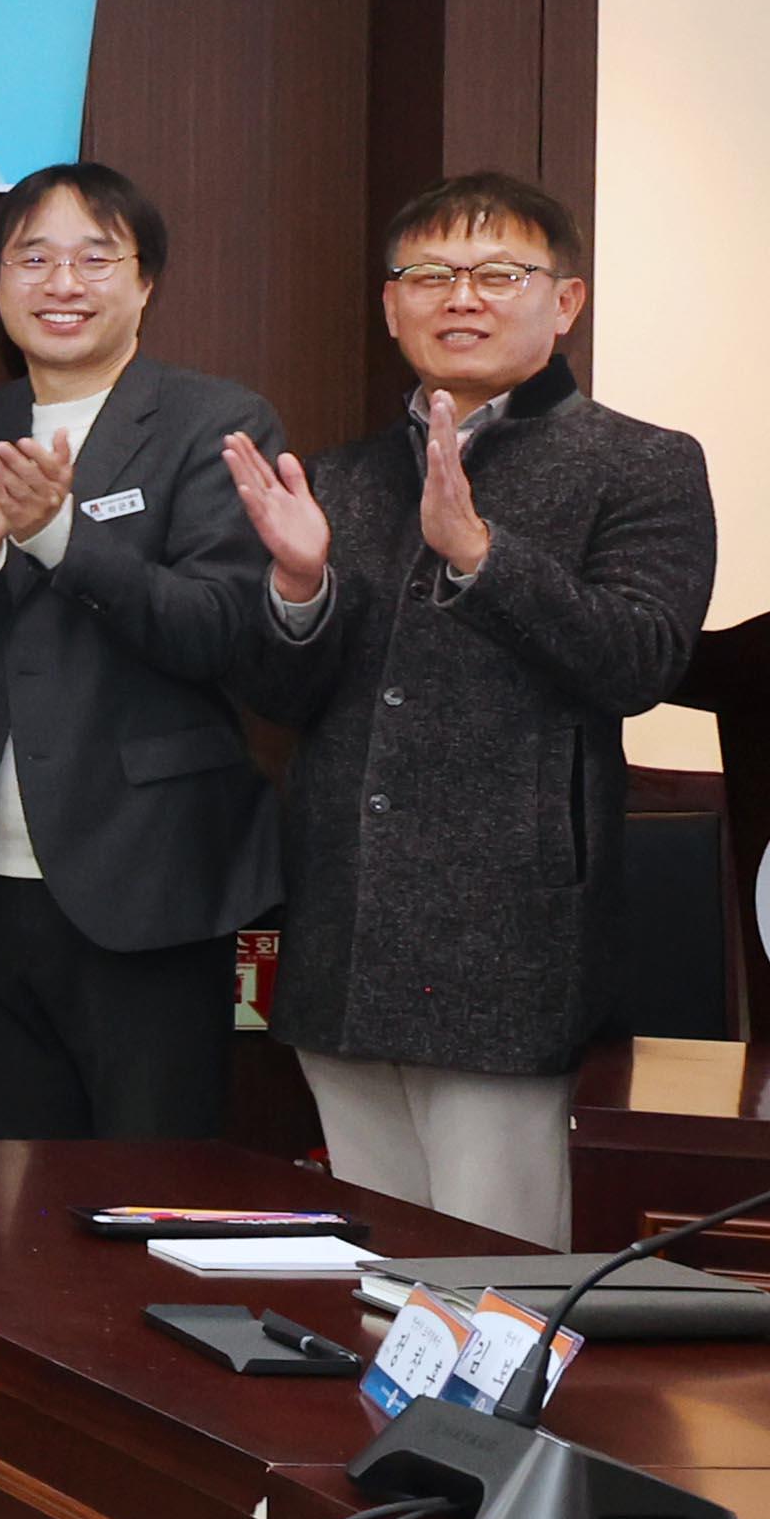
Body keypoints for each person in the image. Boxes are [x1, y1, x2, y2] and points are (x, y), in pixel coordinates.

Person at [226, 175, 714, 1238]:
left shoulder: (642, 463)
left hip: (511, 942)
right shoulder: (344, 478)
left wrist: (483, 557)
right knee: (368, 1270)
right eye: (430, 275)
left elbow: (641, 662)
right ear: (391, 304)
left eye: (499, 273)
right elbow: (280, 702)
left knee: (493, 1280)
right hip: (344, 934)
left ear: (566, 300)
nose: (461, 297)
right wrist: (299, 588)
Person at [0, 165, 285, 1145]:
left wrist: (57, 537)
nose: (63, 283)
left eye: (96, 258)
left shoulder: (213, 424)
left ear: (145, 280)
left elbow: (217, 628)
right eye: (34, 258)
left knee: (152, 1187)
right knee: (4, 1191)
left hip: (152, 874)